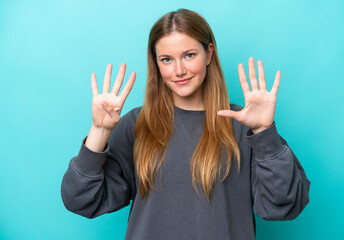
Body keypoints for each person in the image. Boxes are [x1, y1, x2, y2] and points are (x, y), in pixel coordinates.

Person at [61, 8, 310, 240]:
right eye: (166, 59)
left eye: (189, 55)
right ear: (156, 64)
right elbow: (81, 200)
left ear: (209, 53)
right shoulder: (137, 124)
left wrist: (264, 133)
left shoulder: (245, 125)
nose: (179, 70)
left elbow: (283, 205)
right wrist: (100, 131)